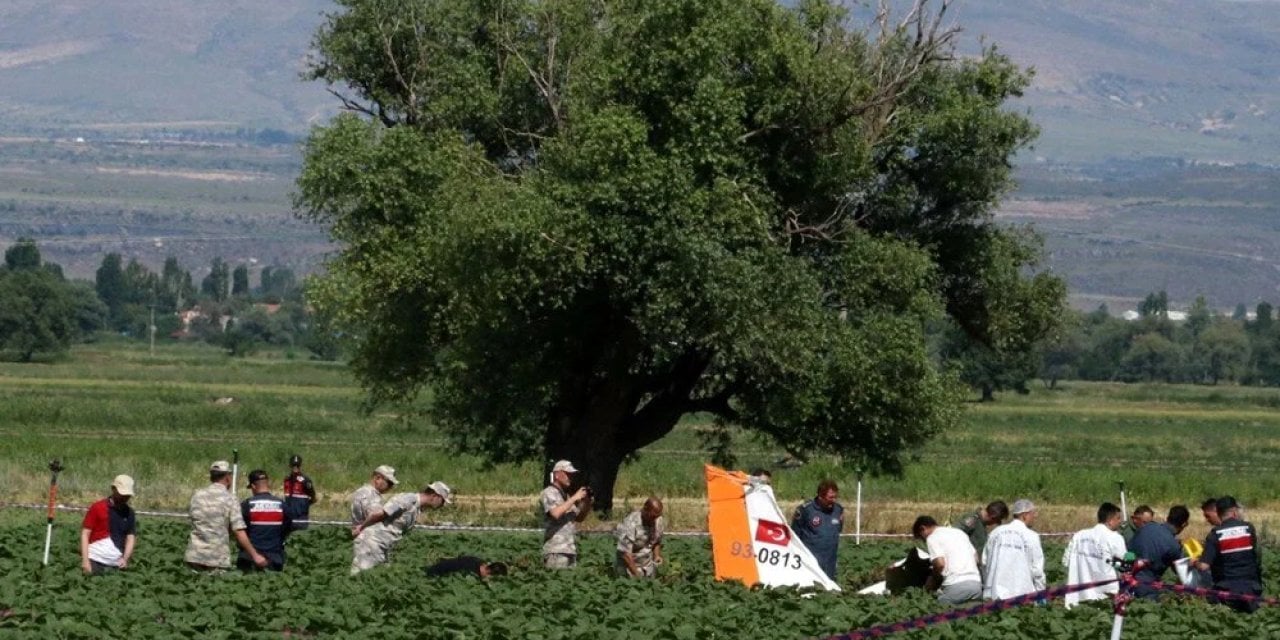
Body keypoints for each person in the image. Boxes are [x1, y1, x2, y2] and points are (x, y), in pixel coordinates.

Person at [350, 481, 451, 574]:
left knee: (380, 578)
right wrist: (361, 528)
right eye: (442, 501)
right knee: (362, 577)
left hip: (384, 546)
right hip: (372, 543)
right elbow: (378, 514)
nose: (442, 505)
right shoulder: (408, 499)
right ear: (435, 496)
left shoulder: (417, 508)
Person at [184, 460, 268, 572]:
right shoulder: (230, 499)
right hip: (216, 558)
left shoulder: (197, 496)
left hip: (194, 556)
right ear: (228, 477)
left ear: (211, 477)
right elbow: (238, 531)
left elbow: (194, 520)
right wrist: (255, 555)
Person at [1196, 496, 1263, 613]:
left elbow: (1204, 566)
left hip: (1227, 590)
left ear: (1218, 513)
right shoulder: (1249, 528)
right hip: (1251, 588)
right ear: (1234, 512)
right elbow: (1252, 553)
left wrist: (1195, 562)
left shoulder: (1215, 534)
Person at [1062, 502, 1127, 608]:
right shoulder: (1115, 537)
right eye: (1118, 518)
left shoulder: (1079, 535)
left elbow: (1066, 562)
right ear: (1110, 521)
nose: (1120, 522)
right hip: (1104, 595)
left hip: (1078, 594)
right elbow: (1124, 565)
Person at [982, 499, 1045, 600]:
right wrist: (1041, 591)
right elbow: (1037, 569)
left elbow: (985, 561)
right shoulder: (1031, 536)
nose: (1035, 517)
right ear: (1025, 515)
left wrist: (988, 586)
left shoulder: (995, 532)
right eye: (1033, 514)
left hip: (994, 594)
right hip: (1022, 594)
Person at [912, 515, 982, 604]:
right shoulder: (959, 533)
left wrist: (932, 581)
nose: (924, 540)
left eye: (922, 537)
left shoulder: (932, 537)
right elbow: (976, 559)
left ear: (923, 529)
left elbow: (940, 564)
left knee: (936, 609)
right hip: (976, 585)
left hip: (956, 585)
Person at [1128, 505, 1190, 600]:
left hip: (1128, 579)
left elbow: (1129, 550)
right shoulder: (1173, 546)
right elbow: (1181, 572)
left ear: (1167, 517)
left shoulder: (1147, 527)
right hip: (1147, 586)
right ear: (1184, 524)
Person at [80, 475, 137, 575]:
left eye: (127, 495)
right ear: (113, 489)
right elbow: (85, 534)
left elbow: (130, 537)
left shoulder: (129, 513)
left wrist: (125, 559)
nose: (125, 497)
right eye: (122, 494)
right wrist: (85, 561)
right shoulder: (97, 507)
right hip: (95, 560)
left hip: (116, 565)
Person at [239, 469, 294, 572]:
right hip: (274, 557)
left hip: (249, 558)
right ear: (267, 484)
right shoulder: (281, 505)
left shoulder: (247, 505)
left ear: (253, 486)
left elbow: (240, 529)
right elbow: (288, 527)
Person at [541, 460, 592, 569]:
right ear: (557, 474)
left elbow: (579, 518)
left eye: (572, 475)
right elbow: (555, 513)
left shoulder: (567, 496)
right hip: (556, 550)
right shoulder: (549, 492)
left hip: (570, 549)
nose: (571, 477)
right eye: (568, 474)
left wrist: (587, 502)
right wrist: (574, 498)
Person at [792, 479, 843, 580]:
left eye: (835, 497)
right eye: (830, 498)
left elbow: (839, 529)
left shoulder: (838, 509)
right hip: (810, 560)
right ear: (820, 496)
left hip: (830, 560)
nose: (833, 500)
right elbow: (795, 535)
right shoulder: (805, 510)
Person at [615, 497, 665, 578]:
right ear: (645, 509)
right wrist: (636, 574)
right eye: (652, 516)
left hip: (647, 566)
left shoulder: (658, 520)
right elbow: (625, 553)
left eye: (657, 516)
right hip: (628, 568)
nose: (654, 520)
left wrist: (657, 555)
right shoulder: (630, 522)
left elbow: (656, 541)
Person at [282, 454, 316, 528]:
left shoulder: (305, 481)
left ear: (300, 466)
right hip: (288, 517)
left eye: (297, 466)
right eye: (293, 465)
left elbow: (313, 498)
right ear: (290, 466)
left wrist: (304, 506)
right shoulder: (287, 480)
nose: (295, 468)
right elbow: (286, 497)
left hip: (301, 517)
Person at [424, 556, 509, 579]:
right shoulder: (469, 574)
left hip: (434, 567)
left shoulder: (477, 560)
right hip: (433, 574)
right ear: (488, 571)